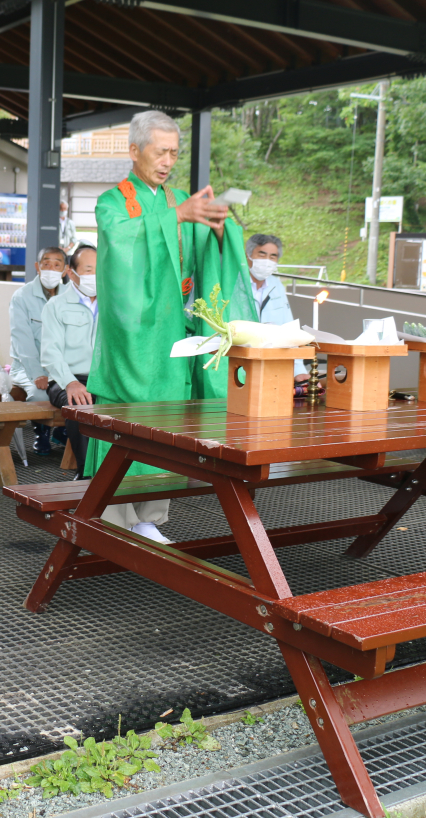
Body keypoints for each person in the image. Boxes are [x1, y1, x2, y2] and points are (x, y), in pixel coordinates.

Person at [87, 110, 253, 544]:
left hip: (173, 331)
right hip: (132, 334)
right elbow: (120, 248)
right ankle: (114, 516)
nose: (167, 162)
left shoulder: (177, 197)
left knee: (168, 422)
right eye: (160, 152)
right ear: (134, 151)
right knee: (124, 419)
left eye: (174, 153)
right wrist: (176, 216)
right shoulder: (113, 201)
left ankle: (151, 517)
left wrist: (218, 227)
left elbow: (205, 255)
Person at [42, 245, 98, 479]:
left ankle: (124, 475)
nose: (95, 276)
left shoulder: (114, 304)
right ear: (72, 273)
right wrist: (70, 382)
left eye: (99, 269)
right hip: (67, 380)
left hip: (104, 379)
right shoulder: (56, 305)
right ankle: (87, 476)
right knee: (81, 404)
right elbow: (50, 352)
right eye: (88, 270)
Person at [8, 246, 68, 455]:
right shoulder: (21, 297)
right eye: (46, 264)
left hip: (61, 366)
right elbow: (22, 340)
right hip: (28, 367)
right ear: (37, 267)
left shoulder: (72, 297)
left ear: (65, 270)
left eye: (57, 264)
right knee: (40, 394)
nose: (51, 269)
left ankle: (62, 431)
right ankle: (40, 434)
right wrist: (37, 373)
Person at [236, 233, 311, 385]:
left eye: (273, 256)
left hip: (271, 362)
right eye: (262, 254)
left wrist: (298, 370)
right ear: (248, 255)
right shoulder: (234, 283)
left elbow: (288, 329)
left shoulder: (276, 286)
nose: (267, 261)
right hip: (239, 361)